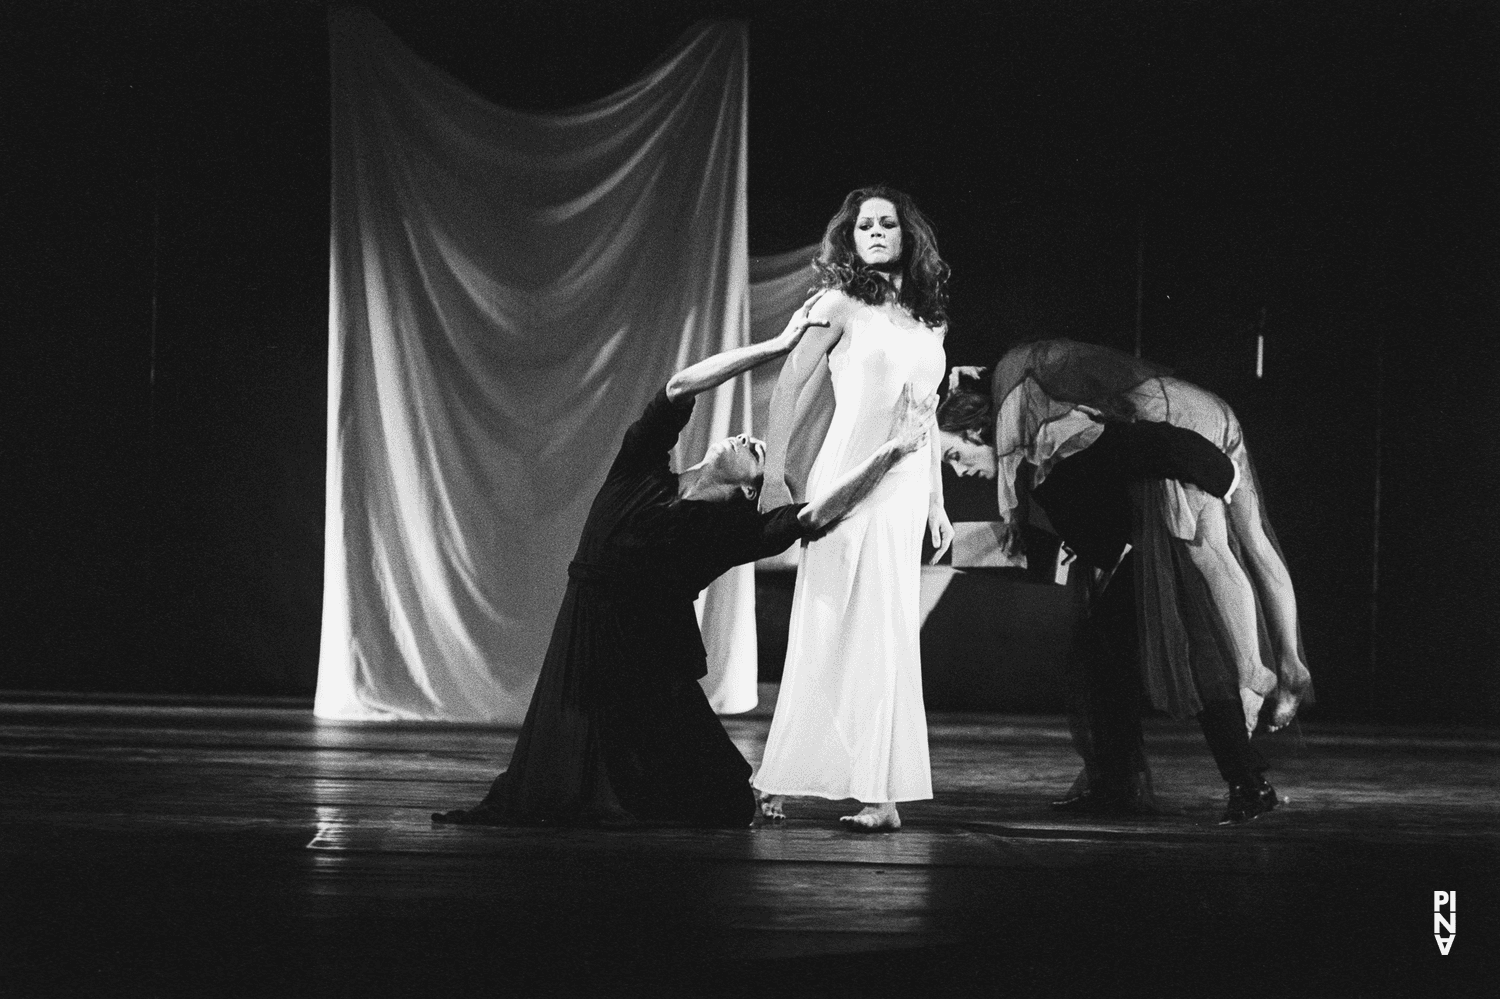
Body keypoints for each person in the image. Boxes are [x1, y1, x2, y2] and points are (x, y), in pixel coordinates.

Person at [432, 305, 935, 829]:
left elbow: (813, 515)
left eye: (757, 452)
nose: (747, 438)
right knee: (554, 786)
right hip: (584, 635)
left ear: (748, 489)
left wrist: (892, 452)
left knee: (722, 800)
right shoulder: (642, 472)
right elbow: (679, 387)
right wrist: (776, 347)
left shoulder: (729, 532)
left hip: (651, 659)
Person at [939, 344, 1311, 824]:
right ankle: (1126, 784)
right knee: (1103, 658)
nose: (959, 470)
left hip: (1171, 521)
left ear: (977, 432)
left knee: (1190, 640)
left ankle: (1249, 756)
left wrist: (1221, 473)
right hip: (1145, 543)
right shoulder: (1044, 456)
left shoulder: (1064, 434)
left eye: (955, 455)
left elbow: (1152, 445)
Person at [754, 187, 955, 832]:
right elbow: (789, 384)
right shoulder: (839, 304)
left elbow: (923, 421)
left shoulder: (929, 320)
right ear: (851, 236)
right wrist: (777, 476)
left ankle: (881, 794)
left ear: (906, 236)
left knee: (888, 633)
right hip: (842, 477)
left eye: (885, 223)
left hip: (898, 492)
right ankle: (782, 775)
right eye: (864, 224)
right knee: (826, 624)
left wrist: (936, 504)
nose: (873, 231)